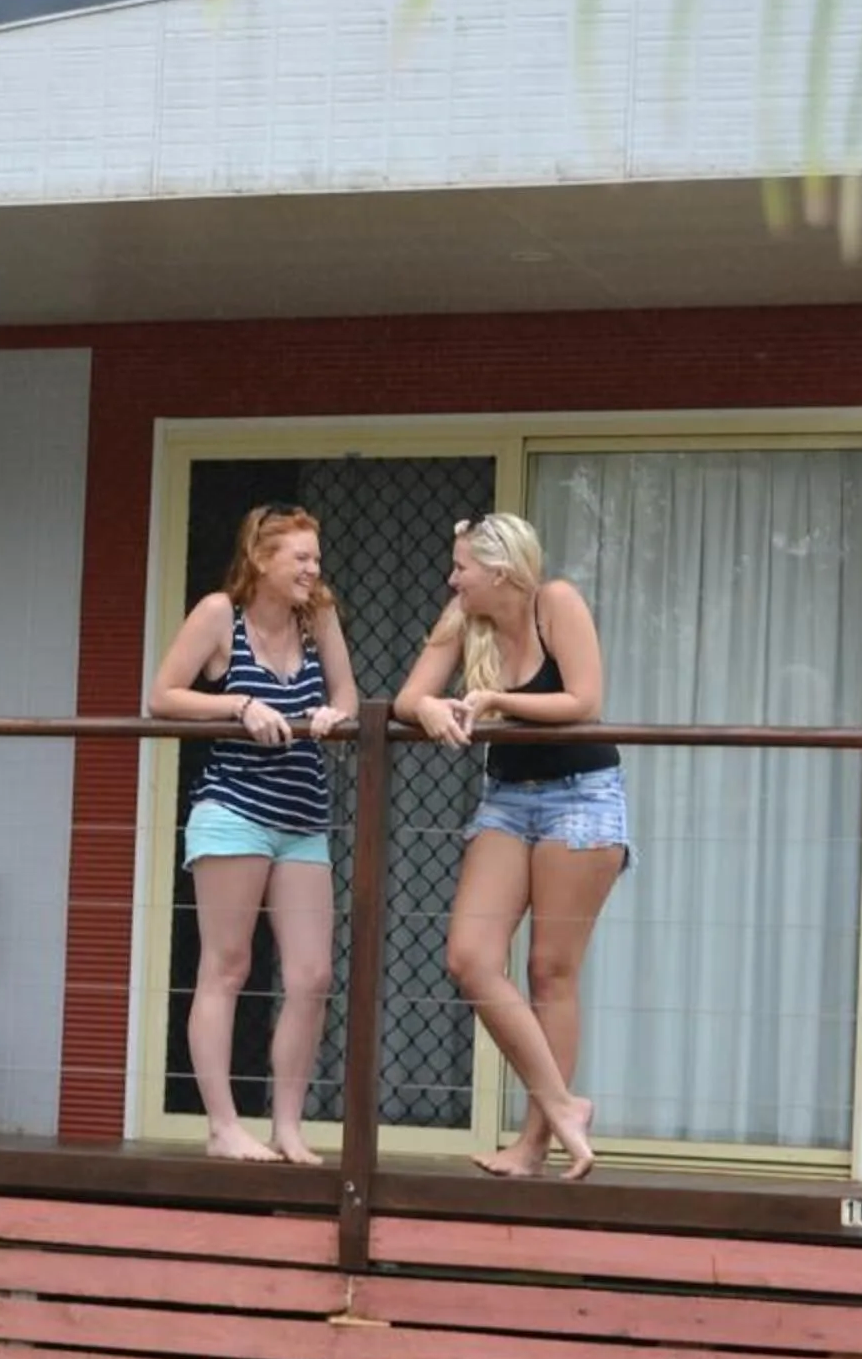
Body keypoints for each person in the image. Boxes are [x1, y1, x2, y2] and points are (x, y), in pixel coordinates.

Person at [393, 511, 630, 1181]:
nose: (452, 578)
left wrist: (496, 697)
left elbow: (585, 699)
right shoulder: (463, 618)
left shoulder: (556, 602)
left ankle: (534, 1145)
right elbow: (412, 694)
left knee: (551, 972)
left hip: (581, 795)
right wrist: (431, 709)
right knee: (470, 957)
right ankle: (563, 1105)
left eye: (462, 567)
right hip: (507, 797)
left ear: (499, 571)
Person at [147, 503, 359, 1164]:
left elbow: (350, 698)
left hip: (302, 817)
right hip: (232, 810)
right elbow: (164, 695)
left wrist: (331, 715)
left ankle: (287, 1126)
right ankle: (222, 1127)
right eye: (300, 557)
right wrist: (240, 704)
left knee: (312, 974)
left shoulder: (317, 616)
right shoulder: (219, 616)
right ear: (261, 560)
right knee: (228, 965)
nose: (312, 569)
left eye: (316, 558)